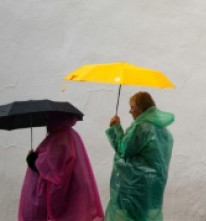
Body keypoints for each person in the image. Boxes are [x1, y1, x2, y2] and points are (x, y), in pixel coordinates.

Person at [18, 111, 104, 221]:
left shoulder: (60, 137)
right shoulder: (71, 134)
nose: (47, 122)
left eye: (49, 119)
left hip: (64, 200)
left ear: (56, 119)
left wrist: (33, 160)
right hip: (76, 191)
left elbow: (53, 169)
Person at [105, 91, 175, 221]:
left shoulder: (142, 127)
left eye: (132, 107)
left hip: (135, 186)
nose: (130, 111)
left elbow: (124, 151)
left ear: (141, 108)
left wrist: (116, 128)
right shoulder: (162, 130)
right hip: (153, 186)